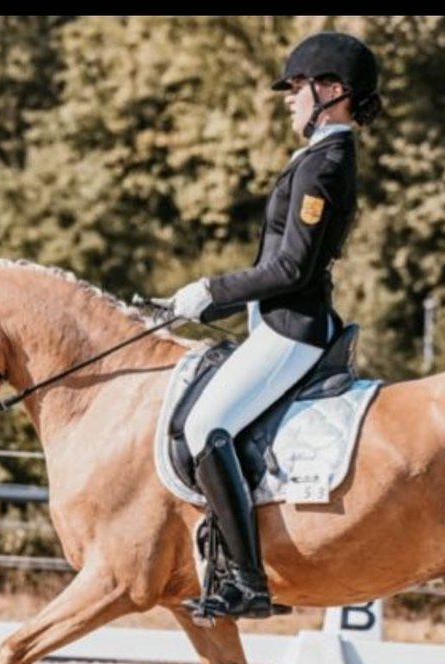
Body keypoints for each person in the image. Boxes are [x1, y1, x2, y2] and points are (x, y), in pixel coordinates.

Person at [165, 31, 382, 620]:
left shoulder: (328, 163)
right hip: (277, 323)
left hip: (293, 328)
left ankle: (247, 581)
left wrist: (211, 291)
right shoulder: (315, 158)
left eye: (297, 88)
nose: (289, 99)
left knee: (208, 427)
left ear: (332, 92)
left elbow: (290, 267)